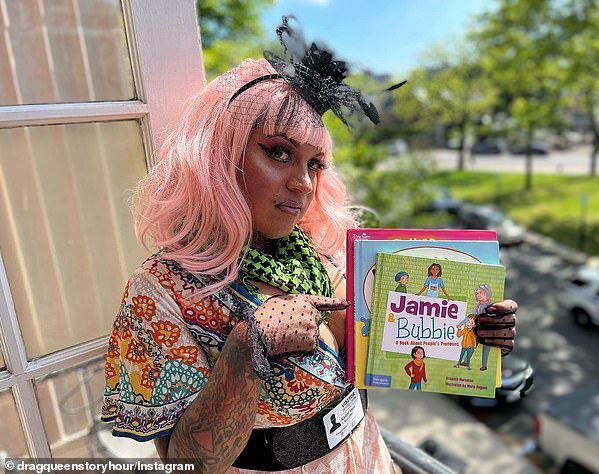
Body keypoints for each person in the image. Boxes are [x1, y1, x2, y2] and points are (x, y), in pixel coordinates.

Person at [101, 17, 518, 473]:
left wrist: (472, 331)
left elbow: (406, 348)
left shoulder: (326, 254)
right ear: (221, 157)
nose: (302, 183)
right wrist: (247, 348)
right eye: (278, 152)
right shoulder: (162, 291)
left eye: (314, 163)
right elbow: (188, 464)